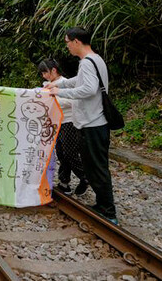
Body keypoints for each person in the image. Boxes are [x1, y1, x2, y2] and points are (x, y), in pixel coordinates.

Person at [46, 27, 116, 224]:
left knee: (97, 168)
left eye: (67, 41)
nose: (67, 46)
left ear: (76, 41)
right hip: (96, 121)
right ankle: (103, 205)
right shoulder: (95, 59)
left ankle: (108, 211)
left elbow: (88, 88)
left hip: (92, 123)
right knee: (95, 166)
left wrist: (60, 92)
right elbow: (81, 81)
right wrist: (61, 86)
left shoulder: (86, 63)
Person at [39, 58, 87, 196]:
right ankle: (64, 183)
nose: (44, 76)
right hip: (56, 123)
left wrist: (54, 98)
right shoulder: (47, 85)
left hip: (69, 122)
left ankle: (85, 177)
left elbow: (74, 101)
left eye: (45, 73)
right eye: (42, 74)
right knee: (61, 153)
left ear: (54, 70)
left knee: (70, 152)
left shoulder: (65, 83)